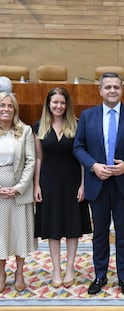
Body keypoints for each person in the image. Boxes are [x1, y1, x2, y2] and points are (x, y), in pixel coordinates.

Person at [73, 72, 124, 296]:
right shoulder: (88, 116)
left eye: (116, 86)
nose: (112, 90)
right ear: (100, 90)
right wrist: (93, 166)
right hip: (97, 183)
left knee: (123, 233)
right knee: (100, 233)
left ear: (122, 89)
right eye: (108, 87)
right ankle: (100, 274)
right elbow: (78, 147)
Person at [33, 87, 92, 289]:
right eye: (54, 102)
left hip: (73, 181)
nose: (58, 106)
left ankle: (69, 268)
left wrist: (84, 185)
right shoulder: (39, 126)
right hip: (49, 182)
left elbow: (83, 159)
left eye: (62, 102)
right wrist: (36, 185)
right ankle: (56, 269)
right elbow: (39, 158)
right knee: (53, 228)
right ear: (48, 104)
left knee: (72, 227)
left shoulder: (77, 125)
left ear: (67, 105)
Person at [0, 92, 36, 293]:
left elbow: (31, 161)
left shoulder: (25, 131)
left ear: (15, 110)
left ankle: (20, 272)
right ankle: (1, 272)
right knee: (0, 234)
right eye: (2, 105)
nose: (5, 109)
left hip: (18, 192)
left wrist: (18, 187)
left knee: (19, 233)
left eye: (9, 106)